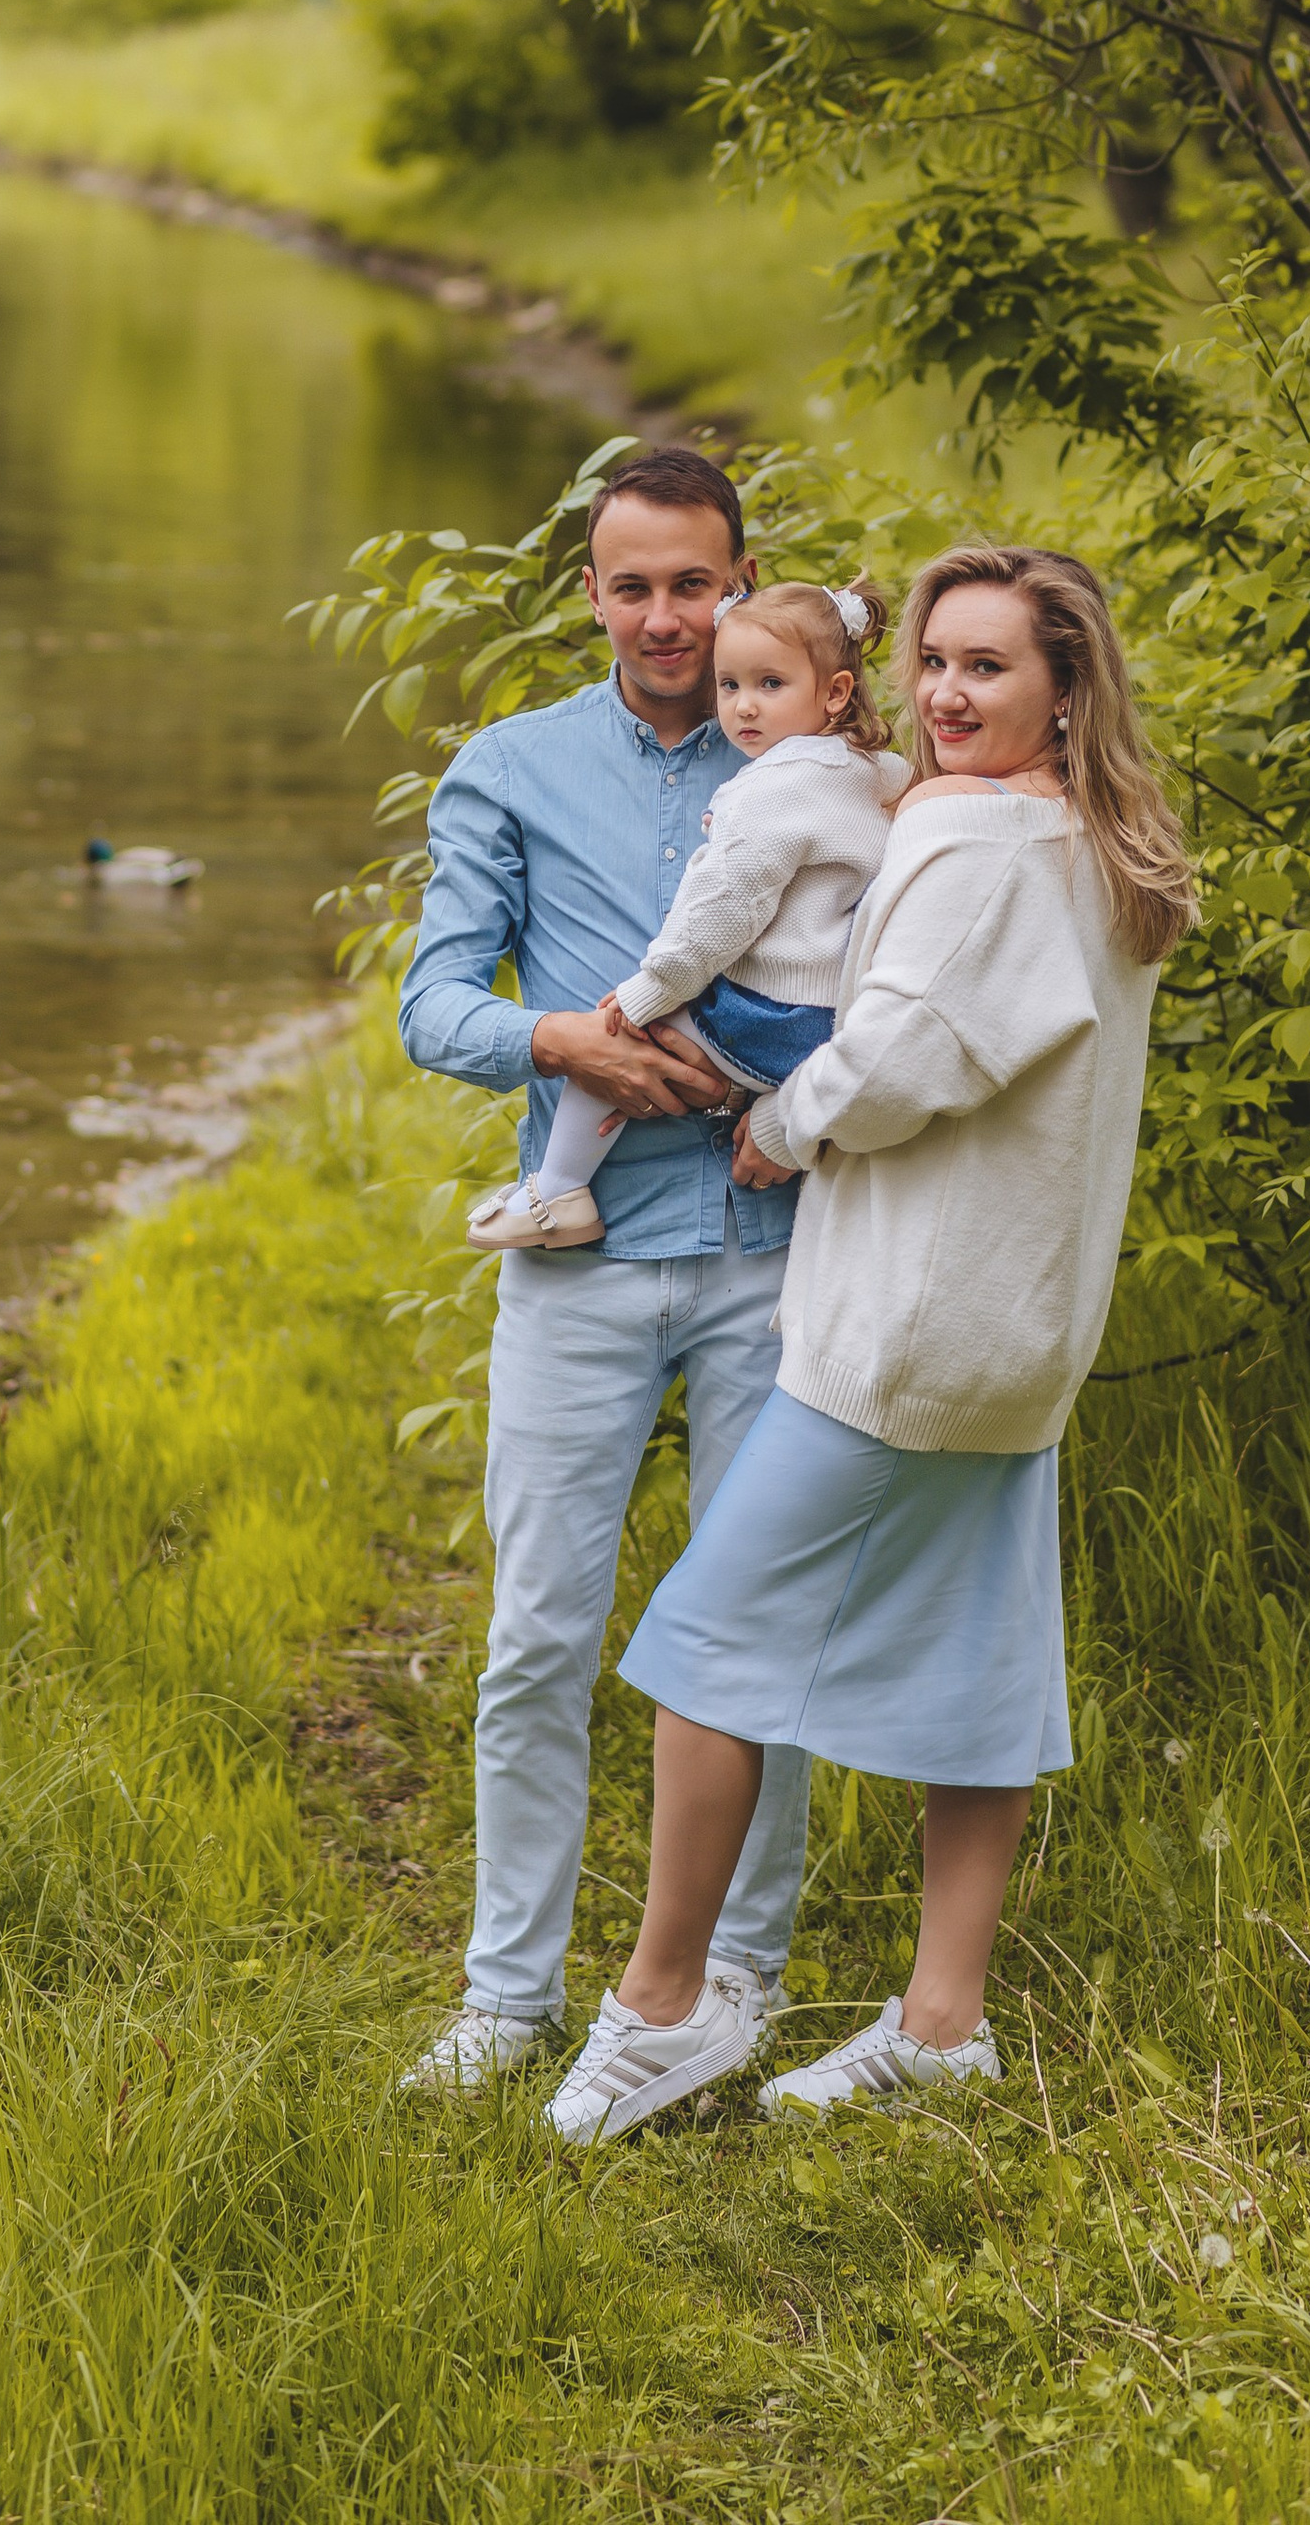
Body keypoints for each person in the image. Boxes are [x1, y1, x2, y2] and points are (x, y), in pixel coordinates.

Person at [539, 542, 1198, 2144]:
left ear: (1064, 689)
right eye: (934, 663)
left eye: (989, 668)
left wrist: (784, 1124)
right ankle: (942, 2025)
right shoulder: (1095, 849)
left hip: (909, 1329)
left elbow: (906, 1051)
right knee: (981, 1659)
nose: (949, 695)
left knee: (702, 1646)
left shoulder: (978, 849)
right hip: (1019, 1330)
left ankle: (662, 2007)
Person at [395, 444, 812, 2088]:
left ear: (738, 579)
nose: (662, 617)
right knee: (540, 1634)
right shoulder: (509, 767)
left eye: (692, 584)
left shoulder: (808, 756)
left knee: (756, 1632)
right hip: (577, 1266)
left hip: (774, 1256)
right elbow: (433, 1004)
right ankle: (509, 2000)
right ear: (588, 590)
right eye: (630, 584)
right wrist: (562, 1037)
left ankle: (737, 1979)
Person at [466, 576, 908, 1250]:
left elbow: (720, 914)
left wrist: (652, 991)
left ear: (836, 691)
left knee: (611, 1038)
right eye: (729, 686)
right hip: (831, 1025)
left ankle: (557, 1190)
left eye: (770, 685)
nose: (745, 709)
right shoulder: (876, 773)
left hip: (768, 1018)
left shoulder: (771, 788)